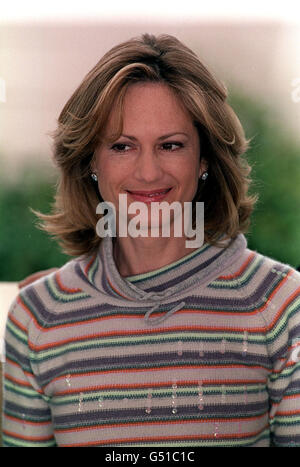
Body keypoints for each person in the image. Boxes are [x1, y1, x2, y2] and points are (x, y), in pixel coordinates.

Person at [2, 33, 300, 448]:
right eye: (122, 146)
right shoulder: (37, 318)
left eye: (171, 145)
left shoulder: (283, 307)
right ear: (90, 160)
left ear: (205, 160)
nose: (147, 173)